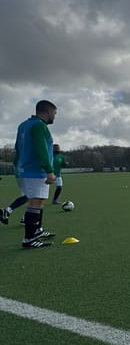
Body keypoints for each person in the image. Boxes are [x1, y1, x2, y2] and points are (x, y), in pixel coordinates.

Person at [14, 100, 58, 248]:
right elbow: (42, 149)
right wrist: (49, 170)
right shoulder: (40, 126)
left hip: (24, 169)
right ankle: (29, 239)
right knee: (35, 202)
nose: (54, 116)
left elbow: (17, 148)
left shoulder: (23, 125)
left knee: (38, 201)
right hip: (35, 170)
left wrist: (18, 165)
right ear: (48, 112)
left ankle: (37, 231)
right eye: (54, 113)